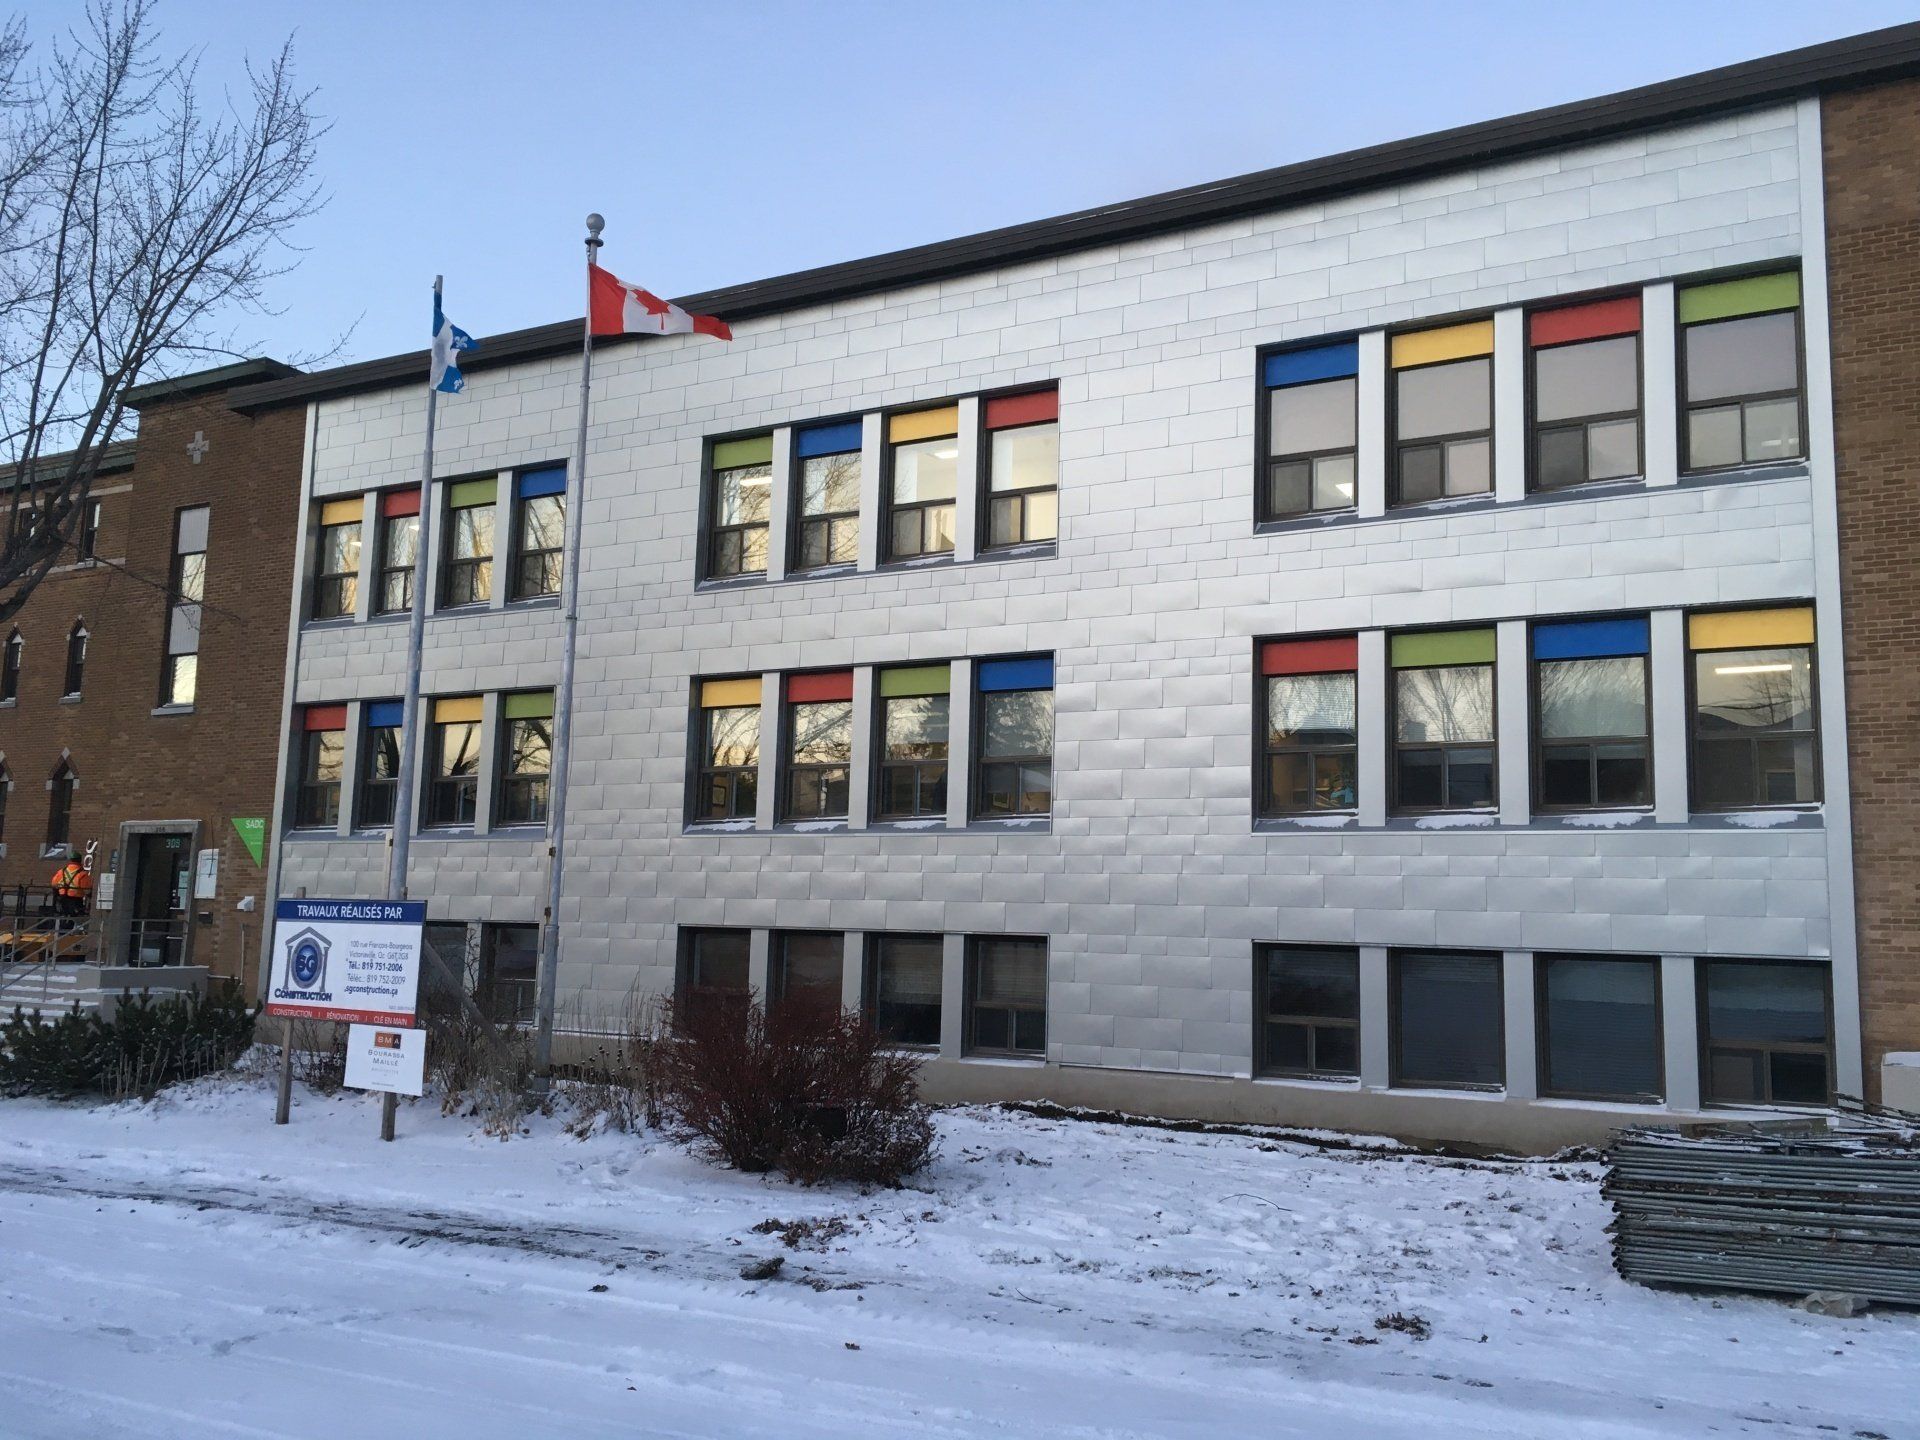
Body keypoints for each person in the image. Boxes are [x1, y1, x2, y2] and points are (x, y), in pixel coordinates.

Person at [51, 849, 91, 917]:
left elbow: (53, 883)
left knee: (63, 917)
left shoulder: (61, 871)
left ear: (70, 860)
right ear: (80, 860)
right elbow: (87, 887)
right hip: (76, 900)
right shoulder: (82, 873)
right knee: (75, 918)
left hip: (62, 899)